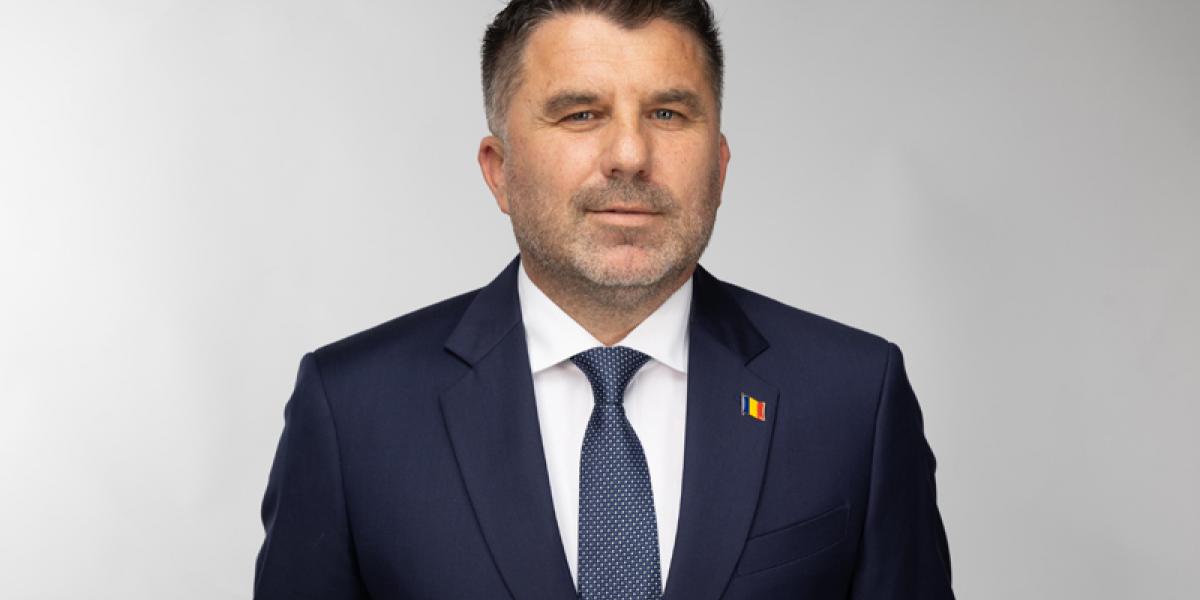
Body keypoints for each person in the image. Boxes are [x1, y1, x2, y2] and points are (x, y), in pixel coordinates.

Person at [254, 1, 955, 598]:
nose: (630, 154)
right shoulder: (352, 412)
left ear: (719, 165)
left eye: (668, 113)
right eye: (582, 113)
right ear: (499, 171)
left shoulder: (853, 398)